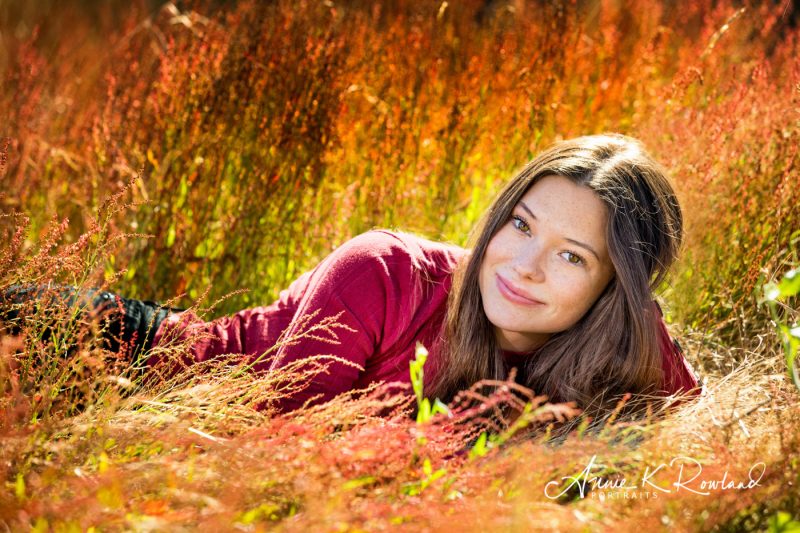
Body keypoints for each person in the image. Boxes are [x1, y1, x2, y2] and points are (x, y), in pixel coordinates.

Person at [0, 133, 702, 421]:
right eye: (520, 224)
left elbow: (703, 440)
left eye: (572, 255)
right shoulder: (387, 275)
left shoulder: (631, 350)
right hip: (122, 361)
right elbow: (266, 441)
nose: (523, 264)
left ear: (616, 295)